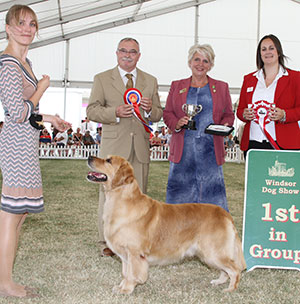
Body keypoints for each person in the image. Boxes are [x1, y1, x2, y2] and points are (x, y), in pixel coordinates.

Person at [0, 4, 71, 298]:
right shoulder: (8, 63)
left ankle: (5, 278)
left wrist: (50, 118)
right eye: (20, 23)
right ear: (8, 28)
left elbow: (27, 113)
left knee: (19, 214)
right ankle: (4, 283)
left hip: (25, 142)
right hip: (16, 144)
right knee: (11, 215)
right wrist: (42, 88)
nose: (27, 28)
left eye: (32, 23)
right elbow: (16, 111)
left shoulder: (24, 63)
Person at [87, 37, 163, 256]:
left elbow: (159, 113)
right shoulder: (102, 79)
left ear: (139, 55)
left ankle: (136, 238)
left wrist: (149, 111)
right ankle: (107, 242)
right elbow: (91, 110)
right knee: (109, 195)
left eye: (133, 51)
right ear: (117, 53)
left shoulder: (150, 80)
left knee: (139, 195)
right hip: (113, 148)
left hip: (139, 147)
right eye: (124, 51)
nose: (128, 55)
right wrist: (114, 113)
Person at [163, 44, 234, 212]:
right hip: (182, 153)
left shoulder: (222, 87)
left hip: (210, 152)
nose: (200, 64)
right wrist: (177, 123)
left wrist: (225, 126)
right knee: (178, 203)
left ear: (210, 65)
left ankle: (214, 236)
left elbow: (229, 115)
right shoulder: (176, 85)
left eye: (205, 61)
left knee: (212, 203)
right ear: (189, 62)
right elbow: (167, 113)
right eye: (197, 59)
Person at [237, 34, 300, 156]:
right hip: (253, 143)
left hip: (284, 144)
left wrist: (284, 115)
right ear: (259, 54)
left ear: (279, 52)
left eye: (271, 48)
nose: (267, 52)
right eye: (263, 49)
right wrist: (244, 114)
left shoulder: (295, 78)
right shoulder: (249, 79)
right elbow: (240, 111)